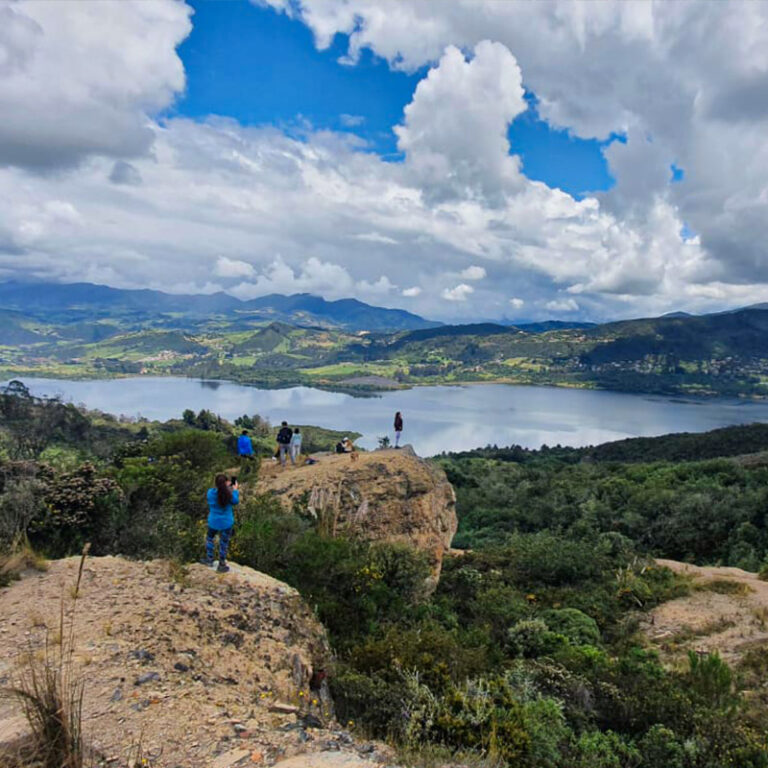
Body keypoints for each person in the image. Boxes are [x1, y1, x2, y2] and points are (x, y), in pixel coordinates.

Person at [202, 474, 239, 573]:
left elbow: (218, 494)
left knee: (210, 538)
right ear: (227, 482)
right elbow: (236, 501)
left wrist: (227, 488)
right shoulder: (229, 495)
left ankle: (209, 559)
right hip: (226, 522)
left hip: (213, 521)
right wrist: (234, 490)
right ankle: (221, 563)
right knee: (224, 542)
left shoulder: (210, 493)